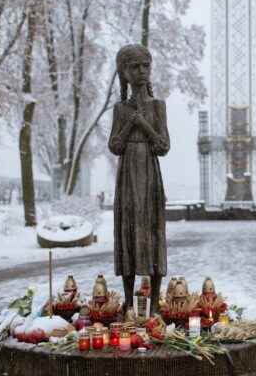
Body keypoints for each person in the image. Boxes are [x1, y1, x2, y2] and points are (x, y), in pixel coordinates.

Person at [108, 44, 170, 315]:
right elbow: (114, 145)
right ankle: (129, 301)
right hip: (127, 176)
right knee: (128, 228)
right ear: (124, 72)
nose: (142, 71)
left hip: (149, 170)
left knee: (153, 230)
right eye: (135, 67)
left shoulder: (158, 107)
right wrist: (129, 124)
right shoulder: (120, 109)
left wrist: (143, 125)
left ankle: (155, 301)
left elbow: (163, 145)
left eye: (146, 66)